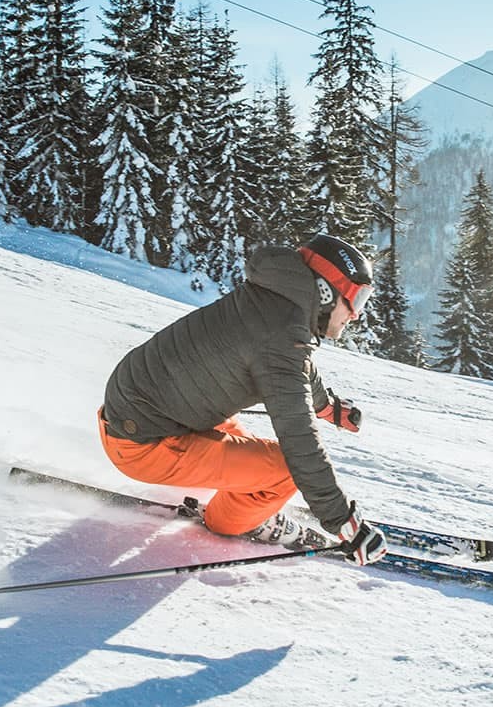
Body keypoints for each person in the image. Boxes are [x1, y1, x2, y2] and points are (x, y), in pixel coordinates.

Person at [97, 234, 388, 565]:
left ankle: (249, 500)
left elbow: (296, 365)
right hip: (142, 444)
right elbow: (300, 441)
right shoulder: (281, 337)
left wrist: (327, 407)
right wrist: (345, 523)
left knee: (249, 449)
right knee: (284, 471)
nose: (356, 315)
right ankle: (239, 522)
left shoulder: (273, 301)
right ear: (325, 291)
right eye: (357, 299)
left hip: (138, 407)